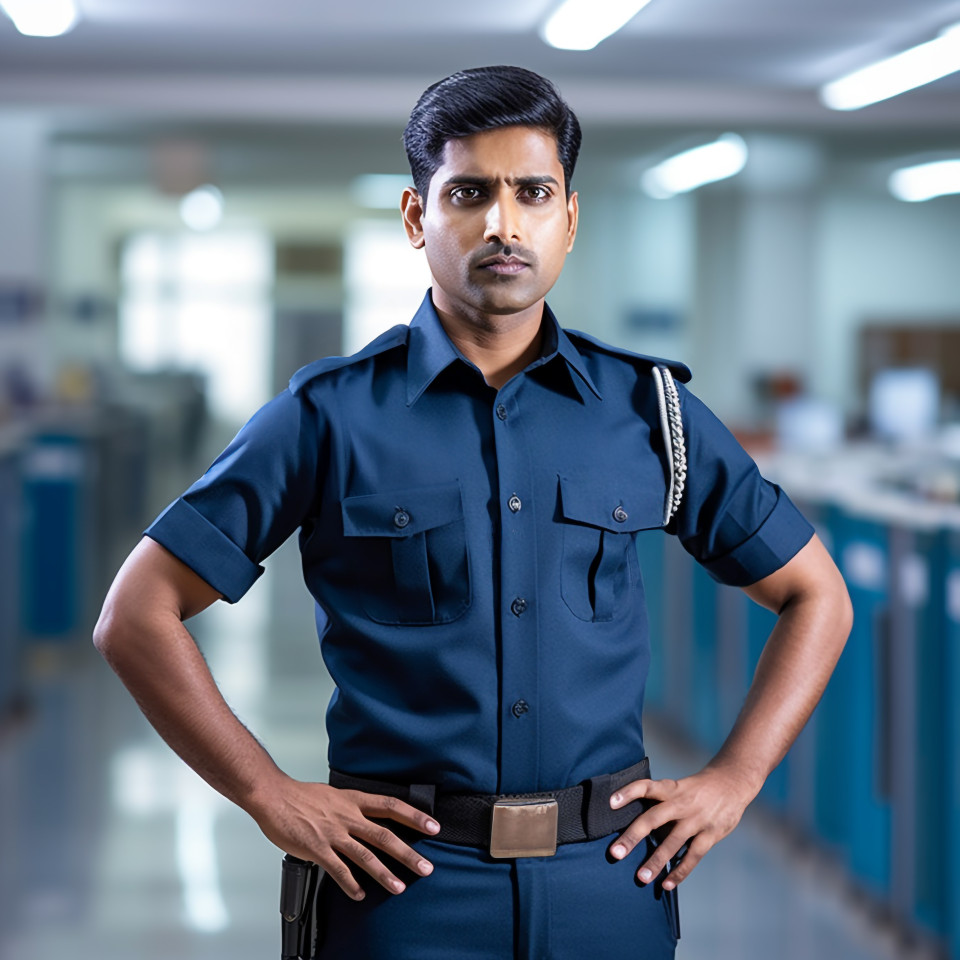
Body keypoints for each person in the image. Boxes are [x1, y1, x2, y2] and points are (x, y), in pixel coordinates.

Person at [94, 65, 852, 959]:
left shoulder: (651, 412)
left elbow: (818, 596)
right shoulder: (327, 417)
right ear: (418, 219)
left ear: (569, 218)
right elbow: (135, 616)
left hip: (609, 881)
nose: (503, 223)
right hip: (402, 889)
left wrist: (736, 778)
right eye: (469, 193)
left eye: (533, 193)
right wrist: (268, 792)